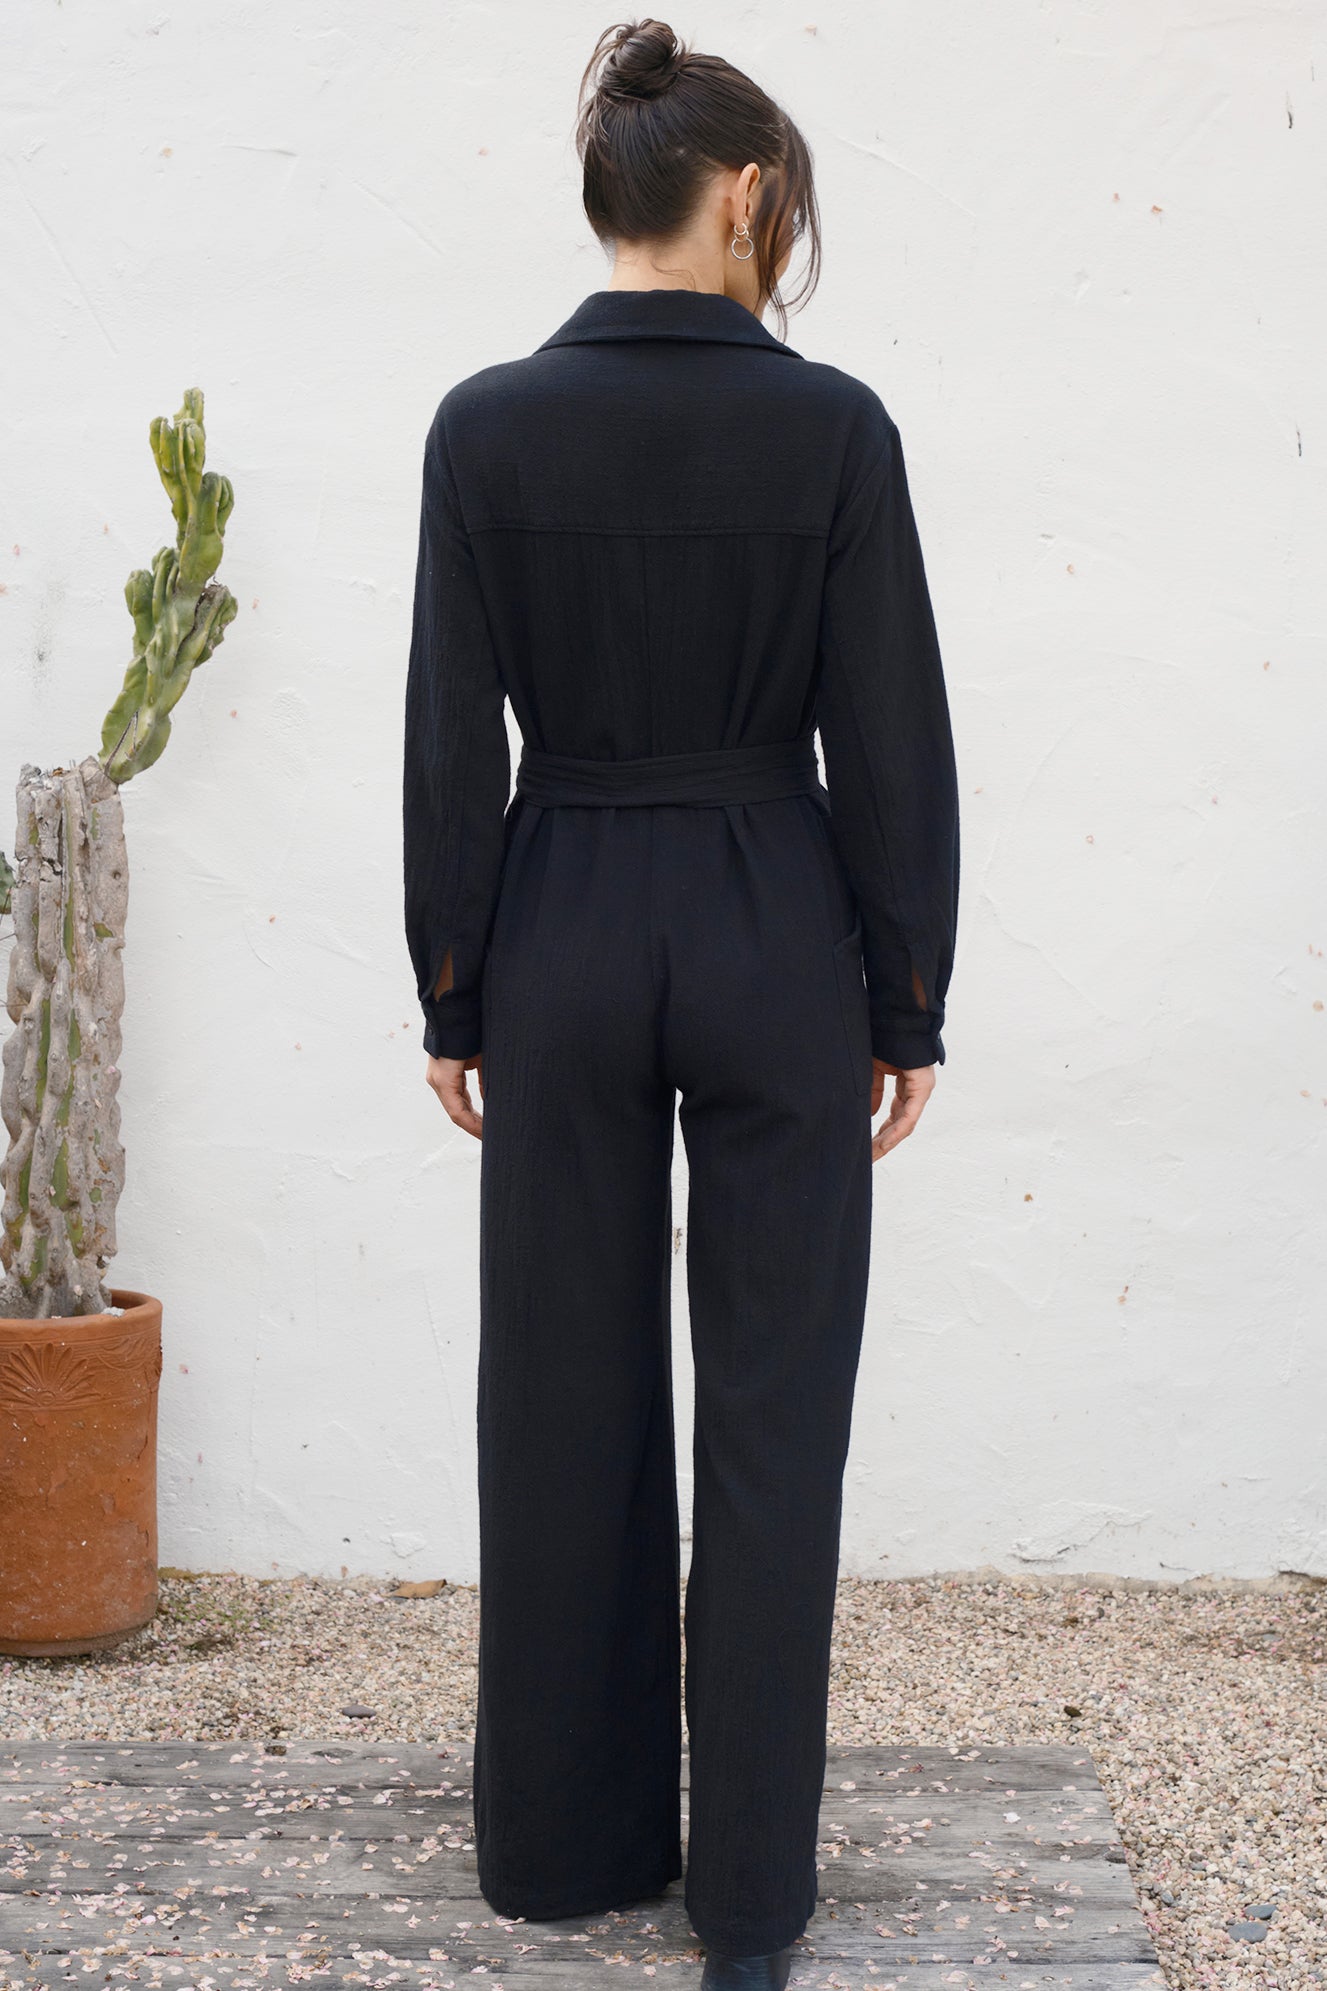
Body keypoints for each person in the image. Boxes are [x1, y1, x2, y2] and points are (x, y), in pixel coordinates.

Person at [402, 18, 960, 1988]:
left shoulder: (482, 428)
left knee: (556, 1383)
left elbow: (449, 735)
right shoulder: (834, 433)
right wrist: (907, 991)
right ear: (742, 196)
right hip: (765, 913)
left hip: (558, 910)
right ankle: (746, 1904)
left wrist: (450, 979)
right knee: (774, 1407)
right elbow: (888, 734)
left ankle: (561, 1852)